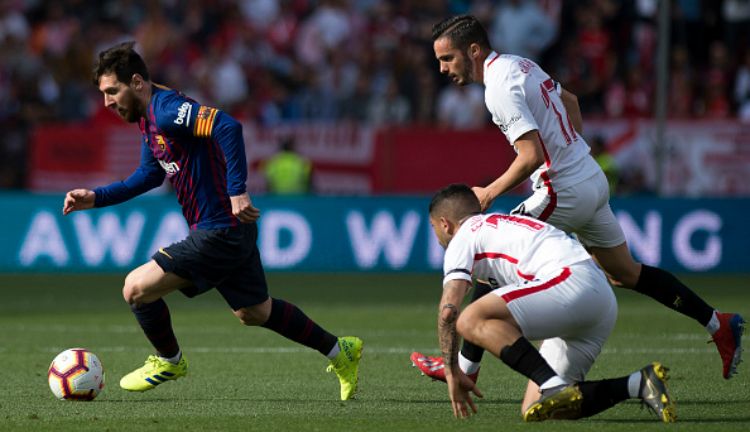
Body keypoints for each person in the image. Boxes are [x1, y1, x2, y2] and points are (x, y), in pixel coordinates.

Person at [412, 15, 744, 385]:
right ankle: (718, 323)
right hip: (588, 176)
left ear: (473, 50)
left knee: (491, 252)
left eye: (448, 58)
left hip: (563, 188)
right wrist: (571, 152)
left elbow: (531, 155)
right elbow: (569, 101)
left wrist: (489, 192)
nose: (442, 68)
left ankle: (461, 369)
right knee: (624, 273)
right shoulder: (520, 64)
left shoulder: (497, 88)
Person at [62, 42, 362, 400]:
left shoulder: (170, 110)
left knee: (136, 289)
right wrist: (96, 197)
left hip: (219, 229)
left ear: (137, 82)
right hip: (228, 230)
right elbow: (148, 175)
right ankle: (338, 350)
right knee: (254, 311)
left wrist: (238, 190)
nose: (108, 102)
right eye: (104, 94)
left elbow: (228, 127)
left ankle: (169, 360)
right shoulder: (147, 119)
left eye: (112, 91)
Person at [427, 184, 675, 422]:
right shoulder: (501, 227)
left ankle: (553, 385)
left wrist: (451, 371)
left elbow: (449, 311)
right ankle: (638, 384)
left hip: (571, 283)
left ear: (445, 224)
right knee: (539, 408)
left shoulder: (463, 237)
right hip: (599, 298)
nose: (437, 236)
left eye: (433, 227)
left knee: (469, 318)